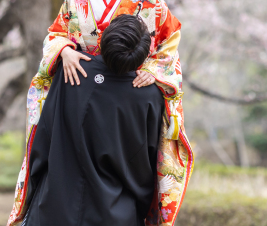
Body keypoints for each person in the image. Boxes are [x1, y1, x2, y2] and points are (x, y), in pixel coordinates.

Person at [8, 0, 193, 226]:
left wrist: (154, 71)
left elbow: (169, 41)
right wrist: (65, 51)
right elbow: (56, 34)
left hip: (125, 88)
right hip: (80, 84)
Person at [22, 14, 164, 226]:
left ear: (103, 39)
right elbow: (147, 163)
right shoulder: (150, 95)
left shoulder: (71, 70)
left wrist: (35, 189)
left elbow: (43, 138)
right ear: (144, 54)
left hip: (54, 205)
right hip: (116, 212)